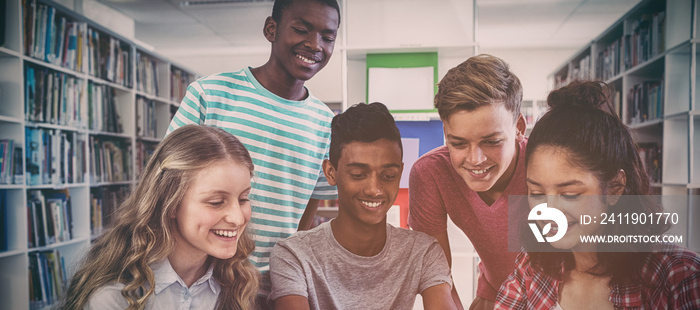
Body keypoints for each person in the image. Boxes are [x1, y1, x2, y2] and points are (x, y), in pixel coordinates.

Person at [166, 0, 341, 300]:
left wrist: (287, 264)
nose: (315, 45)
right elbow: (166, 183)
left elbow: (311, 203)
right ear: (271, 29)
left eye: (328, 37)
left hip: (275, 286)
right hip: (203, 279)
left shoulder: (327, 124)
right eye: (301, 29)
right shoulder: (209, 94)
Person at [496, 81, 700, 309]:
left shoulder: (680, 275)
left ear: (615, 188)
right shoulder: (531, 267)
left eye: (570, 194)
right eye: (536, 192)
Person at [268, 102, 457, 310]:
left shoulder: (423, 252)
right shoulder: (294, 255)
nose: (375, 189)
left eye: (388, 176)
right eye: (358, 175)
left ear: (400, 173)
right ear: (331, 172)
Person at [58, 125, 260, 310]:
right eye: (216, 202)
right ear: (169, 204)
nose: (237, 218)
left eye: (243, 199)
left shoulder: (237, 281)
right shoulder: (113, 297)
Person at [408, 54, 527, 309]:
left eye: (492, 141)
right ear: (445, 133)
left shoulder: (547, 164)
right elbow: (436, 277)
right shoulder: (431, 174)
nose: (475, 160)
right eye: (458, 143)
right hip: (499, 293)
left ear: (519, 126)